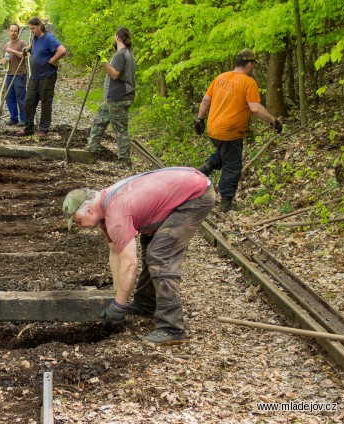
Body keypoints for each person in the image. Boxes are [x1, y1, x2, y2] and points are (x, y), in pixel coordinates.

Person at [62, 167, 215, 344]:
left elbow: (129, 264)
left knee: (160, 255)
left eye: (78, 221)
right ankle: (146, 304)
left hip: (195, 196)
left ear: (89, 211)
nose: (79, 226)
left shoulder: (116, 216)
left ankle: (172, 328)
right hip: (185, 186)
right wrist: (117, 297)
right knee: (149, 242)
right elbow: (116, 253)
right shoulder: (104, 208)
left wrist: (119, 305)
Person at [194, 48, 283, 212]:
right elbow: (255, 108)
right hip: (230, 132)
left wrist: (199, 120)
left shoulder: (220, 78)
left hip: (213, 129)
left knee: (225, 154)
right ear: (249, 64)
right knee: (233, 165)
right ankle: (226, 204)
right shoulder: (248, 82)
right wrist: (274, 121)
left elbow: (206, 100)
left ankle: (203, 170)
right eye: (253, 64)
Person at [87, 27, 137, 169]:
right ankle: (92, 148)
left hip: (119, 97)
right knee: (100, 118)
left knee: (120, 130)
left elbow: (115, 74)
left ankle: (125, 161)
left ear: (117, 37)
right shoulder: (128, 53)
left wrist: (103, 62)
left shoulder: (121, 55)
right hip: (114, 97)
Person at [17, 17, 66, 138]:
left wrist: (52, 60)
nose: (31, 31)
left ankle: (44, 129)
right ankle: (28, 128)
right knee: (29, 102)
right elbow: (36, 48)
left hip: (47, 76)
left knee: (45, 102)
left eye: (33, 28)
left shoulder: (48, 38)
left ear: (39, 26)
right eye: (30, 29)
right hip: (35, 77)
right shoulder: (35, 38)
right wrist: (29, 48)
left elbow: (62, 50)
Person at [2, 23, 28, 127]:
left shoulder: (22, 43)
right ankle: (13, 118)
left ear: (18, 32)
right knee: (9, 97)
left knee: (21, 97)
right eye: (11, 31)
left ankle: (24, 119)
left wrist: (12, 51)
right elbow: (4, 58)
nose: (13, 33)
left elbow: (24, 56)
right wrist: (4, 60)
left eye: (15, 31)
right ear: (9, 31)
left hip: (20, 74)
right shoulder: (6, 44)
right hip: (9, 73)